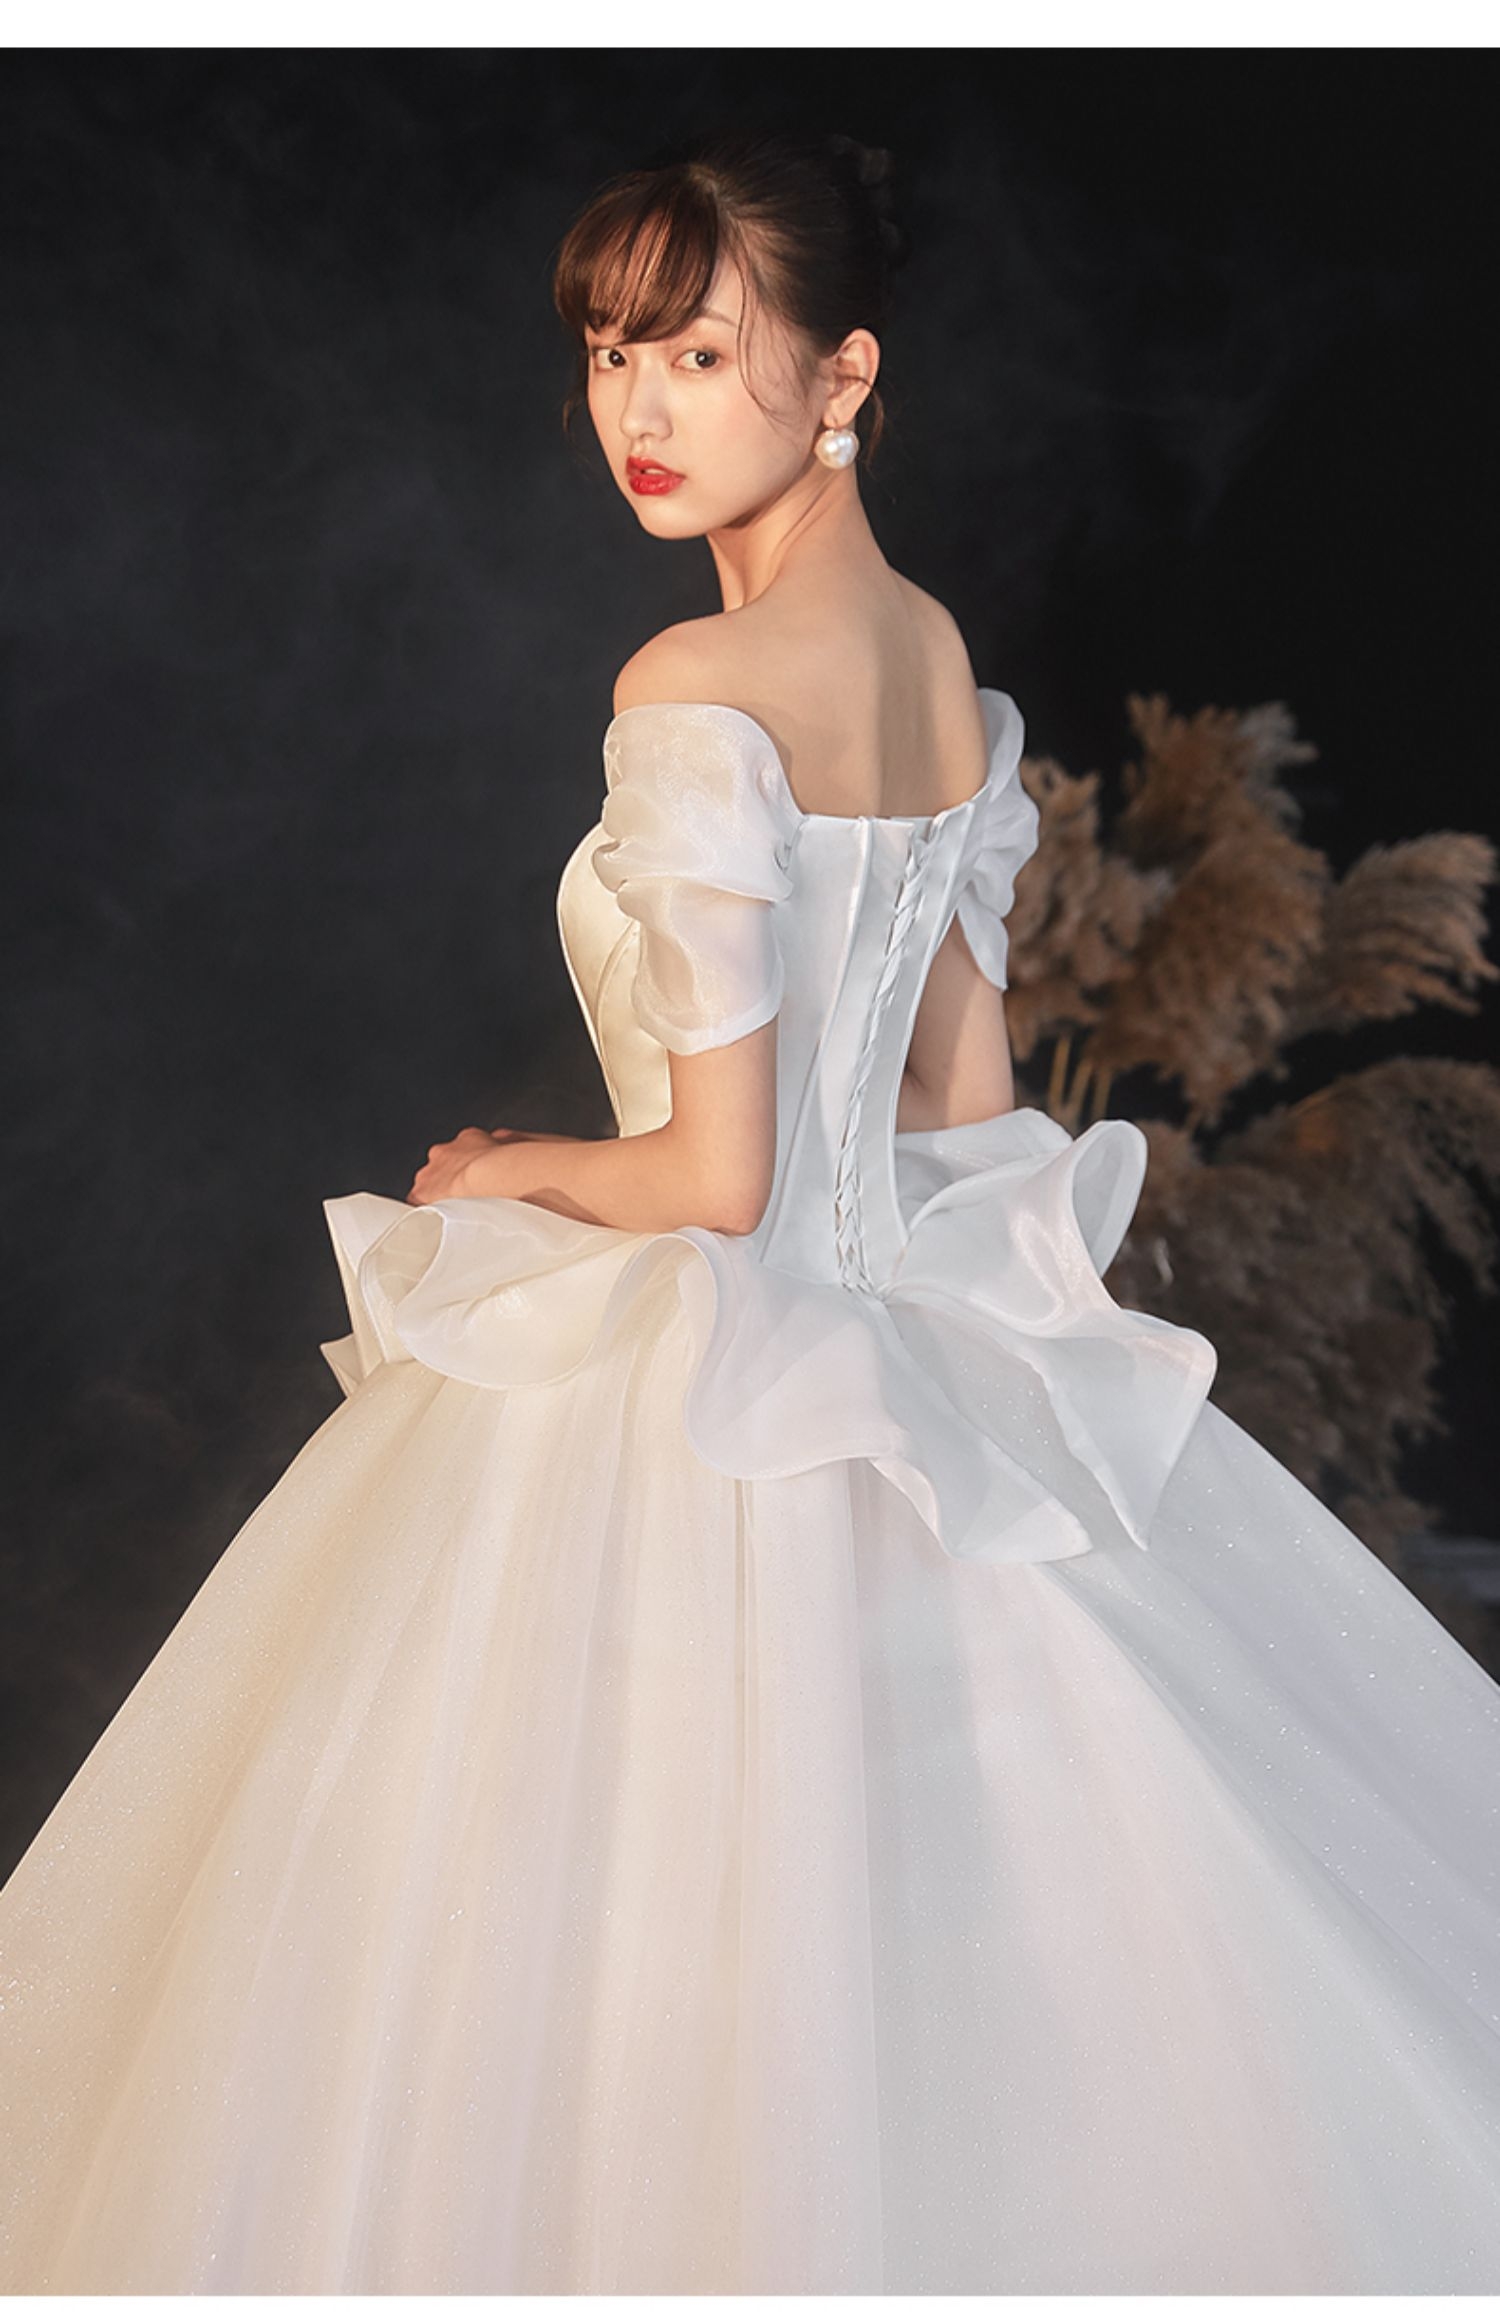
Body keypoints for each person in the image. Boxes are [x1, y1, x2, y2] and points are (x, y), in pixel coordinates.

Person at [2, 125, 1499, 2299]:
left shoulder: (690, 693)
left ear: (844, 372)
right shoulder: (932, 657)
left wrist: (508, 1175)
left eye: (700, 354)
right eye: (612, 352)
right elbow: (963, 1101)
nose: (638, 407)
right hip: (891, 1342)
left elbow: (714, 1180)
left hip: (707, 1384)